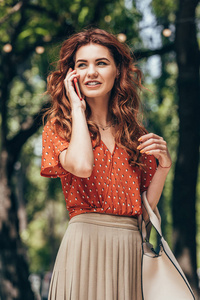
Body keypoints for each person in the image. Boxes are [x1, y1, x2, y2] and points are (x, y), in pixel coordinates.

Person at [40, 28, 172, 300]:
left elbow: (146, 213)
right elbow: (82, 166)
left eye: (101, 63)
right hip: (84, 244)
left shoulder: (135, 135)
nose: (91, 72)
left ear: (118, 71)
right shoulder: (60, 128)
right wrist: (76, 108)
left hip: (130, 247)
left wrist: (163, 167)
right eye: (82, 65)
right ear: (71, 75)